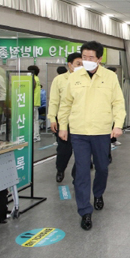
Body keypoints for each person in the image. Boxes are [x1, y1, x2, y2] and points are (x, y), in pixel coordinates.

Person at [58, 41, 125, 230]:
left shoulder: (110, 77)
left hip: (101, 131)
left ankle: (98, 193)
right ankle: (85, 211)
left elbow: (118, 103)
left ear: (99, 59)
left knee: (102, 168)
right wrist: (63, 126)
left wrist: (117, 125)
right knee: (82, 171)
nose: (87, 61)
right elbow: (66, 104)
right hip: (78, 132)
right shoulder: (75, 77)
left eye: (91, 58)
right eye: (84, 57)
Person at [49, 53, 82, 183]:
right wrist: (52, 118)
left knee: (82, 151)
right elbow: (54, 101)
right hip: (64, 121)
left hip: (81, 120)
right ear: (70, 65)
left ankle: (76, 175)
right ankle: (60, 169)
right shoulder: (60, 80)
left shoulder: (86, 79)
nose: (81, 67)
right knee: (64, 150)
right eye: (78, 64)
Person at [107, 67, 121, 148]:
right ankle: (110, 142)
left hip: (113, 109)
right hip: (107, 110)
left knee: (114, 125)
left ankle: (113, 140)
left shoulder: (114, 82)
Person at [28, 65, 42, 142]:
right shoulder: (37, 78)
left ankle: (35, 136)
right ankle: (36, 135)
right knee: (35, 120)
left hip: (31, 102)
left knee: (32, 120)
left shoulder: (32, 79)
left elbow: (30, 90)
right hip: (36, 102)